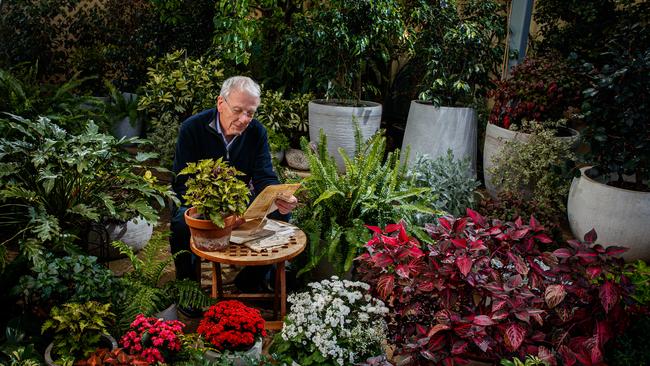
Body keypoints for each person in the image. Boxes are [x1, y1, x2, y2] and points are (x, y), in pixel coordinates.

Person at [169, 76, 298, 293]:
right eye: (238, 110)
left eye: (250, 112)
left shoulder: (257, 132)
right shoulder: (192, 128)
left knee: (281, 213)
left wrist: (280, 196)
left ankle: (251, 280)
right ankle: (188, 289)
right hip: (201, 202)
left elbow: (264, 176)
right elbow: (182, 183)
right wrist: (214, 211)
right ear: (221, 103)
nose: (244, 118)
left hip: (238, 201)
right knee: (182, 224)